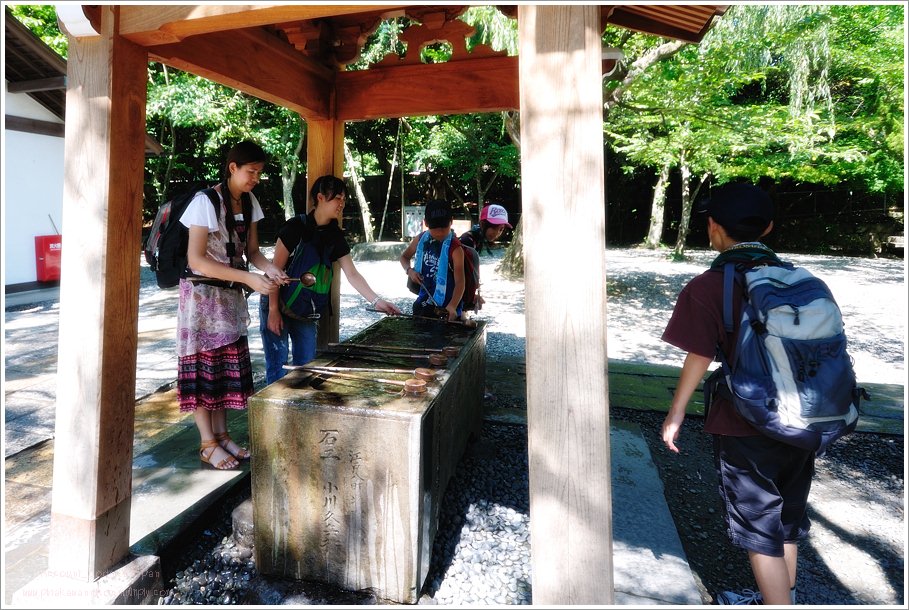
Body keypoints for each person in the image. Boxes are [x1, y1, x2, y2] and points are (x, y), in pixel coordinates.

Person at [659, 183, 808, 605]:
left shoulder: (711, 286)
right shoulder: (798, 280)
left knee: (759, 527)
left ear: (713, 228)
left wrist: (676, 413)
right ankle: (782, 595)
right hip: (806, 417)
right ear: (770, 227)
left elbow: (699, 356)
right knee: (787, 517)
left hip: (746, 421)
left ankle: (777, 604)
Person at [177, 140, 286, 470]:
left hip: (229, 297)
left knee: (223, 368)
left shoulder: (250, 202)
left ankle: (223, 437)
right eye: (250, 171)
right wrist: (248, 279)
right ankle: (207, 443)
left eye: (259, 173)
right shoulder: (204, 201)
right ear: (232, 168)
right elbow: (195, 259)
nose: (255, 178)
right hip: (201, 299)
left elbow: (251, 252)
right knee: (202, 368)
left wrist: (269, 269)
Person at [261, 175, 401, 384]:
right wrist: (272, 311)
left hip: (305, 310)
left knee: (306, 368)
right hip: (276, 303)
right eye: (337, 198)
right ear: (320, 197)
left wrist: (377, 302)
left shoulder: (335, 236)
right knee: (278, 368)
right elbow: (273, 272)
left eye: (344, 198)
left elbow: (352, 274)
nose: (342, 203)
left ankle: (300, 414)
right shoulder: (294, 228)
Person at [400, 199, 467, 322]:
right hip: (424, 301)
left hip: (448, 306)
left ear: (451, 221)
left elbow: (460, 283)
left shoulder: (455, 248)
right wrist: (409, 271)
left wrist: (452, 306)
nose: (440, 233)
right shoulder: (420, 240)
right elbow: (404, 257)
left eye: (444, 228)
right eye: (435, 230)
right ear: (426, 223)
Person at [459, 203, 513, 311]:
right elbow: (462, 273)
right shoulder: (467, 241)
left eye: (501, 229)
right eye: (494, 228)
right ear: (483, 224)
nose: (497, 233)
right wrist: (470, 296)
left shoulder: (477, 239)